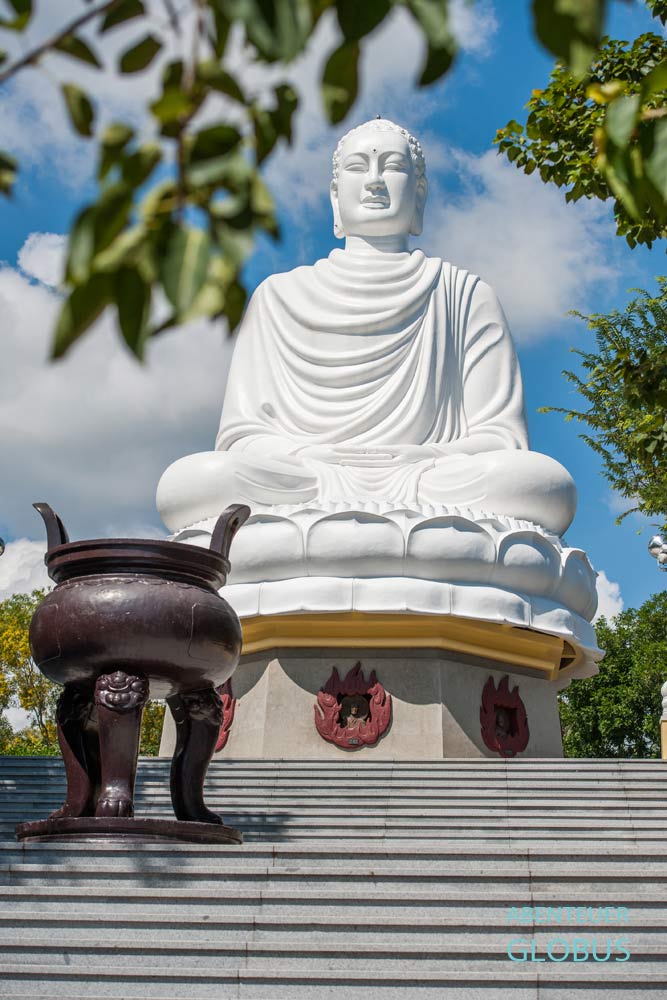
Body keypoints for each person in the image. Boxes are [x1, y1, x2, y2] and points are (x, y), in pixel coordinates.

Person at [157, 118, 576, 538]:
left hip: (427, 478)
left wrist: (421, 458)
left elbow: (500, 437)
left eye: (392, 167)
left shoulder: (464, 294)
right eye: (358, 168)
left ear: (419, 193)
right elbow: (242, 435)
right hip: (305, 477)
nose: (374, 182)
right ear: (336, 197)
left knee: (538, 483)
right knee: (198, 480)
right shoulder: (278, 295)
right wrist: (316, 460)